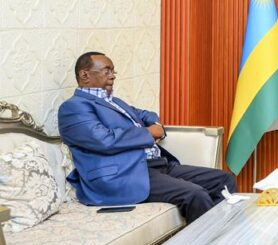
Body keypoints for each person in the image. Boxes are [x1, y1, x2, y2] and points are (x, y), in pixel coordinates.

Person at [58, 52, 237, 223]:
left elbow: (144, 114)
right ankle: (209, 244)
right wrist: (149, 133)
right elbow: (104, 140)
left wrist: (156, 126)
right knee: (195, 194)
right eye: (107, 71)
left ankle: (224, 236)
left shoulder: (114, 102)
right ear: (85, 75)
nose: (112, 76)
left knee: (223, 180)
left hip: (154, 165)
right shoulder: (73, 108)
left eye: (113, 71)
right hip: (124, 175)